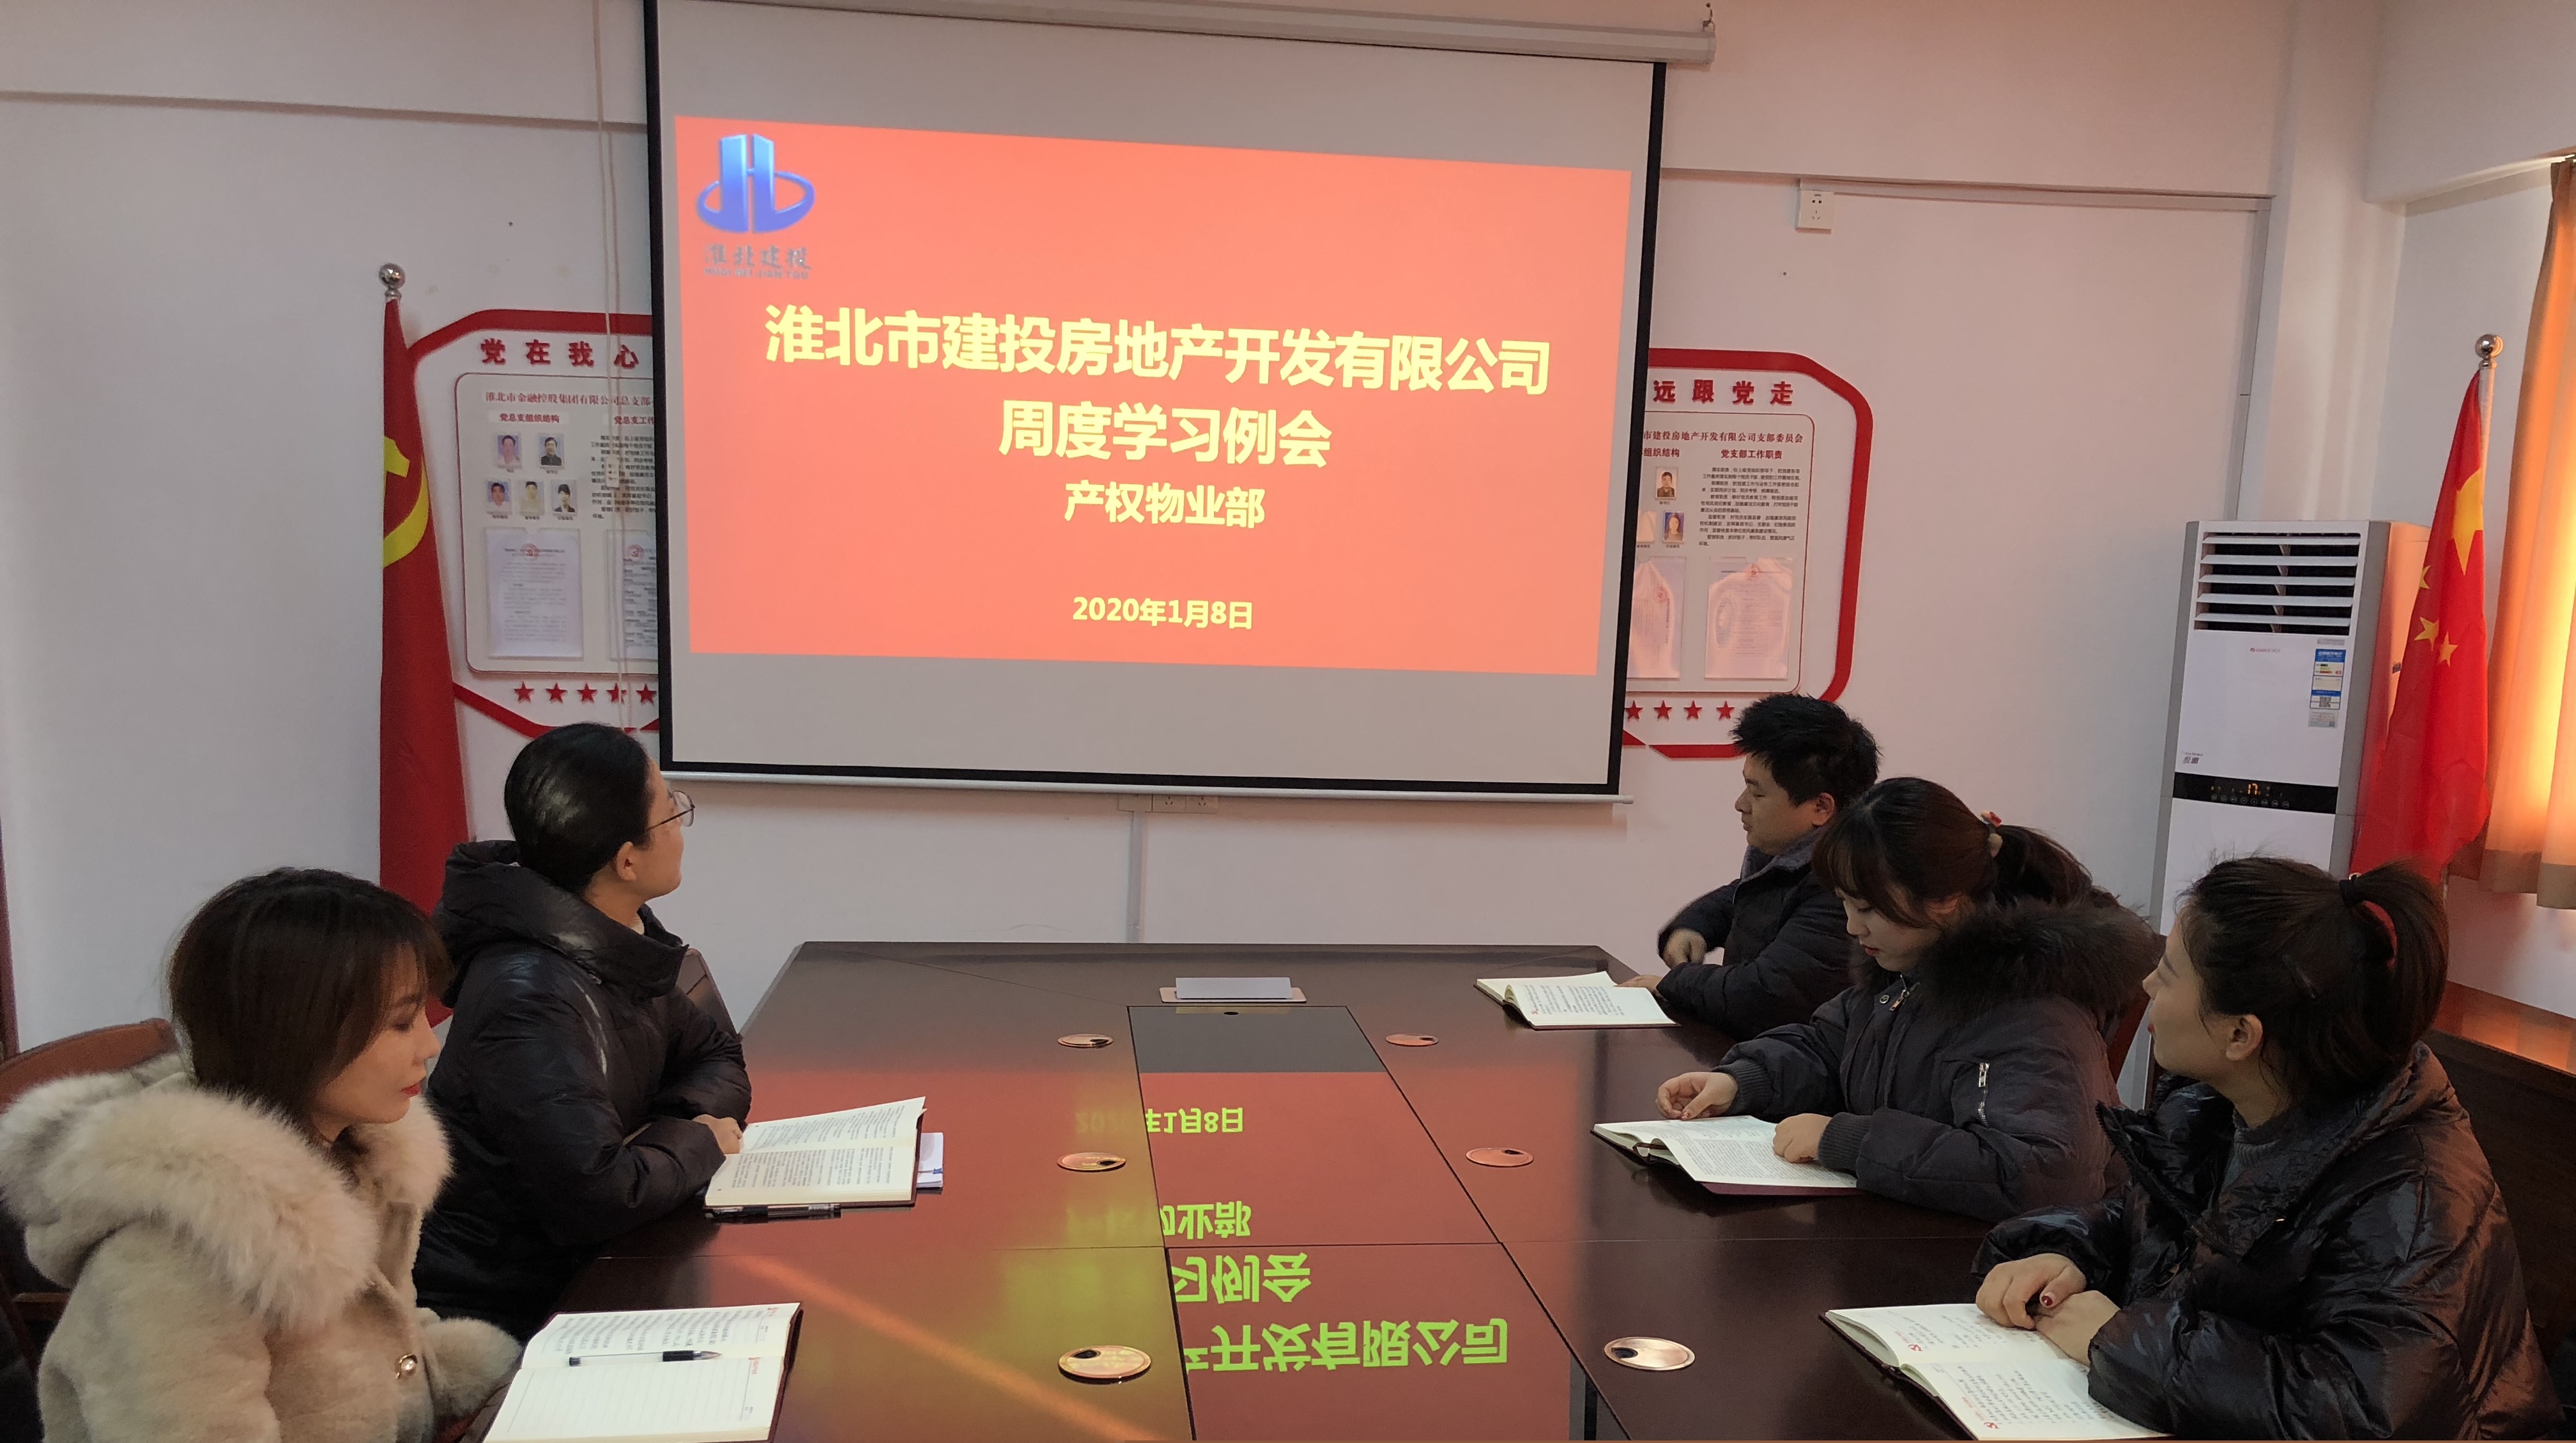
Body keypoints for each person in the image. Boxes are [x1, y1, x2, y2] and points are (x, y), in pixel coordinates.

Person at [1974, 857, 2558, 1437]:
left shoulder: (2416, 1196)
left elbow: (2357, 1413)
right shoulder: (2218, 1107)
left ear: (2241, 1034)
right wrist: (2072, 1255)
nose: (2147, 984)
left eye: (2169, 973)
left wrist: (2123, 1341)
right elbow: (2156, 1232)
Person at [0, 870, 520, 1441]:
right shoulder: (182, 1240)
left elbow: (388, 1334)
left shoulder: (352, 1149)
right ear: (296, 1031)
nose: (427, 1044)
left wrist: (502, 1382)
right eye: (400, 1022)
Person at [1655, 778, 2156, 1220]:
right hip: (1909, 1236)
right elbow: (1829, 1045)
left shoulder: (2030, 1009)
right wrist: (1743, 1080)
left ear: (1945, 900)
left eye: (1867, 908)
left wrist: (1846, 1140)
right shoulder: (1906, 970)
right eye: (1846, 905)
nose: (1852, 927)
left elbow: (2039, 1173)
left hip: (2007, 1268)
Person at [415, 723, 751, 1338]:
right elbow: (598, 1195)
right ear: (627, 859)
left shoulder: (617, 939)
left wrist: (659, 1136)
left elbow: (717, 1053)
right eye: (671, 811)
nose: (681, 827)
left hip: (597, 1265)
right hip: (512, 1311)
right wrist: (697, 1140)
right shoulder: (527, 994)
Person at [1623, 694, 1879, 1037]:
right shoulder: (1791, 858)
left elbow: (1765, 995)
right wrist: (1694, 927)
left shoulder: (1843, 886)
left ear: (1821, 807)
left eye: (1757, 794)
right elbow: (1746, 897)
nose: (1740, 804)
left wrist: (1672, 983)